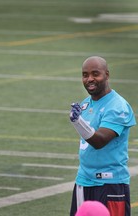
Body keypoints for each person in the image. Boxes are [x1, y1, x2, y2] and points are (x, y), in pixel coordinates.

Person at [69, 56, 136, 216]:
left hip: (110, 183)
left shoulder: (118, 106)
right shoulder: (85, 104)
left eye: (95, 74)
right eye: (85, 75)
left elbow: (100, 141)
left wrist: (78, 122)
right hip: (84, 181)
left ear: (107, 74)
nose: (90, 79)